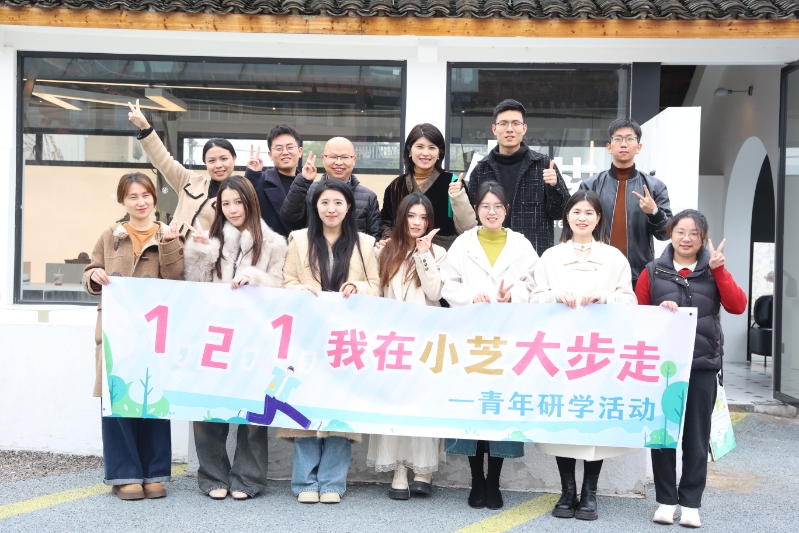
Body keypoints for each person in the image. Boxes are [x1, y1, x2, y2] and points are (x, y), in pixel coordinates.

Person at [530, 190, 637, 521]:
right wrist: (553, 295)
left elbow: (630, 301)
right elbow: (533, 299)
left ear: (598, 218)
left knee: (593, 421)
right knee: (563, 420)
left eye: (589, 212)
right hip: (559, 352)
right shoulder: (550, 257)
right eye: (576, 211)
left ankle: (590, 492)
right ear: (567, 216)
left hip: (599, 353)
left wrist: (604, 297)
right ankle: (567, 491)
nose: (582, 218)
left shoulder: (614, 258)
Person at [636, 210, 746, 528]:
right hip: (663, 367)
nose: (686, 238)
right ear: (670, 234)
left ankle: (691, 504)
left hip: (702, 365)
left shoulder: (713, 270)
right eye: (680, 232)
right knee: (662, 435)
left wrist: (720, 271)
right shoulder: (653, 271)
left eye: (694, 233)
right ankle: (665, 501)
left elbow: (738, 306)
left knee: (697, 438)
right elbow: (637, 316)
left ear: (703, 238)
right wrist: (658, 311)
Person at [183, 175, 289, 501]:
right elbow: (195, 287)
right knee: (207, 408)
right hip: (214, 336)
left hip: (255, 338)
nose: (232, 209)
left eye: (238, 202)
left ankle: (248, 478)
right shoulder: (211, 238)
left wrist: (254, 277)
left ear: (250, 202)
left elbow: (281, 288)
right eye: (225, 203)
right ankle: (212, 475)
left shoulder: (274, 244)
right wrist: (201, 252)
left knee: (254, 411)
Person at [82, 172, 184, 501]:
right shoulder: (110, 235)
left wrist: (170, 244)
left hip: (155, 333)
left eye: (145, 195)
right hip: (116, 332)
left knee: (153, 399)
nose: (140, 202)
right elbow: (90, 273)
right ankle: (124, 475)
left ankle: (154, 473)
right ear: (122, 201)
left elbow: (177, 279)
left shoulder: (168, 234)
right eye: (132, 197)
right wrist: (94, 276)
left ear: (154, 198)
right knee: (117, 400)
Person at [278, 179, 380, 504]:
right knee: (304, 407)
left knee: (339, 409)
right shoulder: (298, 240)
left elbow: (376, 285)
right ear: (316, 207)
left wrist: (357, 287)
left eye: (338, 202)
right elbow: (286, 282)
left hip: (346, 340)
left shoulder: (365, 244)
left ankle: (333, 482)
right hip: (307, 337)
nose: (331, 209)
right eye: (325, 202)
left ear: (349, 207)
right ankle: (305, 482)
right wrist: (299, 289)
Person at [440, 181, 538, 510]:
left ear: (506, 210)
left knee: (500, 408)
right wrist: (471, 295)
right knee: (473, 405)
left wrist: (513, 295)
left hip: (508, 337)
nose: (491, 212)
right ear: (476, 210)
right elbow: (448, 282)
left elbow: (534, 283)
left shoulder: (521, 244)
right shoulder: (463, 243)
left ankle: (493, 480)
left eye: (497, 206)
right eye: (485, 206)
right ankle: (476, 480)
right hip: (471, 336)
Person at [368, 193, 447, 499]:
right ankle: (399, 468)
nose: (417, 223)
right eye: (412, 216)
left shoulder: (438, 253)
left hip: (426, 340)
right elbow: (375, 293)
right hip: (391, 340)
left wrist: (424, 255)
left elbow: (435, 292)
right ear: (402, 218)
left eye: (423, 217)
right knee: (394, 403)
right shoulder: (384, 251)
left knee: (423, 402)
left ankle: (424, 470)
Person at [454, 99, 570, 254]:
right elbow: (472, 220)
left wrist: (554, 187)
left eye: (515, 123)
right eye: (503, 123)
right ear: (494, 129)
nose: (509, 129)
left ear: (524, 128)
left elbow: (561, 213)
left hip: (533, 256)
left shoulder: (544, 165)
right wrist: (458, 195)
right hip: (490, 255)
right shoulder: (481, 170)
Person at [579, 119, 672, 287]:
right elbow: (578, 228)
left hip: (638, 274)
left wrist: (654, 213)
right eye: (618, 139)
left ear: (639, 147)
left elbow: (666, 233)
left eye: (630, 139)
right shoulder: (590, 185)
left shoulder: (654, 186)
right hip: (596, 270)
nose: (623, 144)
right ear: (609, 147)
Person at [128, 99, 236, 235]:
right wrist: (145, 127)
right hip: (172, 246)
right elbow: (163, 160)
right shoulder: (190, 180)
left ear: (234, 159)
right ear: (205, 163)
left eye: (224, 159)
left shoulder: (240, 194)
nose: (218, 165)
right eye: (212, 160)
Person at [380, 124, 475, 250]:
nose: (425, 153)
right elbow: (386, 222)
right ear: (409, 150)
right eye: (419, 146)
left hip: (441, 255)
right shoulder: (396, 186)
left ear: (439, 152)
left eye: (432, 148)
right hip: (403, 254)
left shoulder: (453, 182)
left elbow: (468, 228)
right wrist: (388, 238)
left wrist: (458, 196)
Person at [280, 137, 381, 239]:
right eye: (333, 157)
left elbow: (375, 237)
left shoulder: (369, 197)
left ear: (354, 160)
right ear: (323, 159)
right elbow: (289, 217)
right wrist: (303, 180)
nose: (338, 162)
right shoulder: (309, 190)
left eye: (345, 157)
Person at [244, 124, 305, 237]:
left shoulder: (309, 185)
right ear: (270, 155)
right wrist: (251, 175)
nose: (285, 152)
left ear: (300, 151)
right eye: (279, 148)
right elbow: (243, 207)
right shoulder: (259, 181)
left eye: (290, 147)